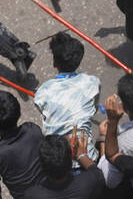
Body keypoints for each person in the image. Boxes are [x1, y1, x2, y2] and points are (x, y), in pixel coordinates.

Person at [33, 32, 101, 164]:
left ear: (54, 63)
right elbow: (93, 108)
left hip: (57, 161)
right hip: (88, 158)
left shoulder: (43, 92)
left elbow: (43, 111)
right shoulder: (92, 82)